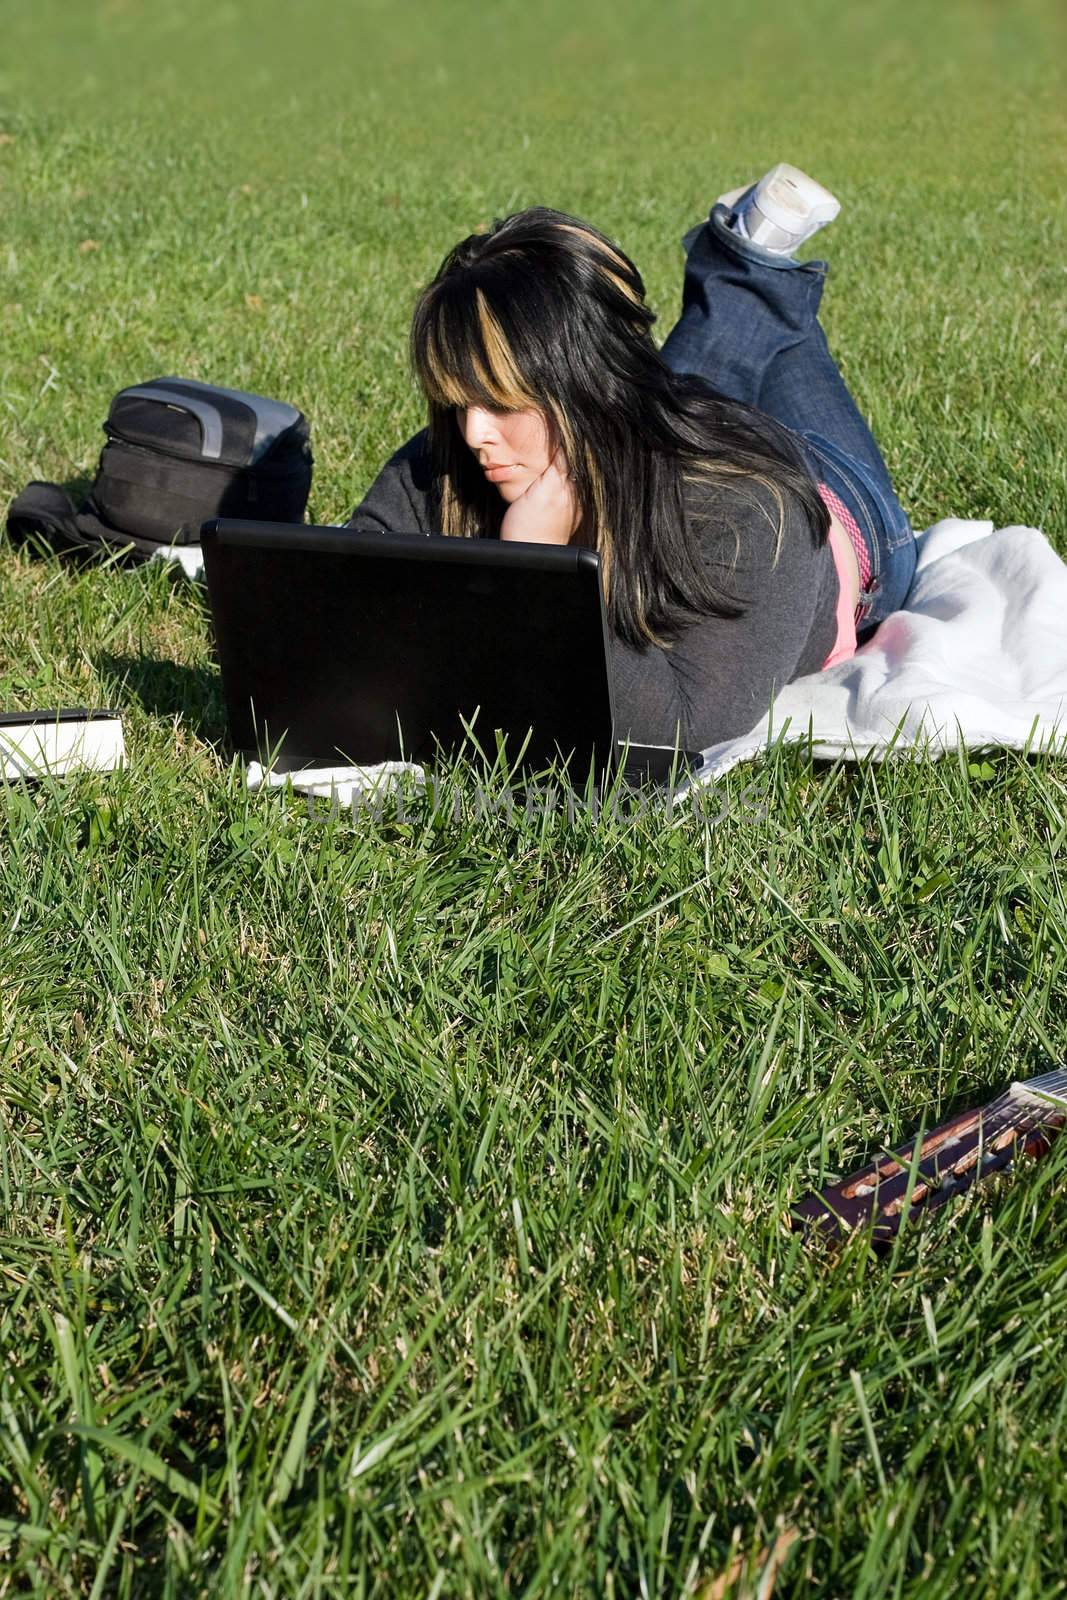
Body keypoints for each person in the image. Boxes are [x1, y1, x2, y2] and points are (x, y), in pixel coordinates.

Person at [346, 163, 918, 750]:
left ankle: (746, 266)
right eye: (456, 401)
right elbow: (349, 595)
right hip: (652, 423)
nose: (473, 433)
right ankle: (750, 264)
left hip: (844, 513)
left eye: (499, 402)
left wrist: (535, 575)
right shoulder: (464, 451)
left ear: (584, 390)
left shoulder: (752, 512)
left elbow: (680, 732)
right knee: (700, 363)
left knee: (703, 374)